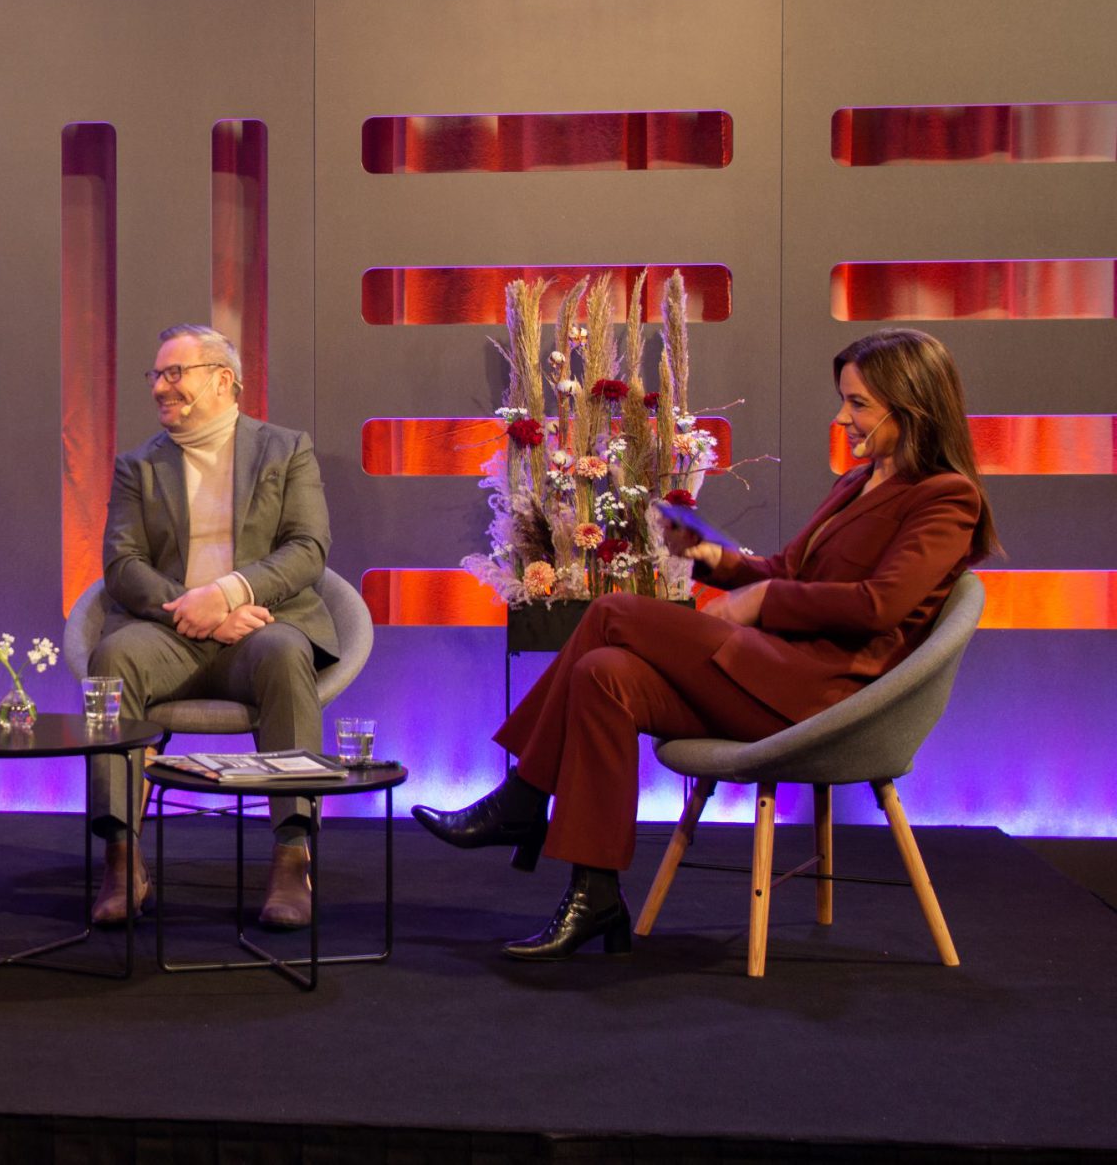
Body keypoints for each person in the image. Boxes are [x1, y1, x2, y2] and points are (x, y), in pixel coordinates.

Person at [414, 327, 999, 961]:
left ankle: (524, 798)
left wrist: (767, 601)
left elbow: (878, 605)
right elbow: (790, 570)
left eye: (858, 403)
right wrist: (713, 557)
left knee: (612, 613)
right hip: (773, 674)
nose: (842, 417)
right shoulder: (857, 483)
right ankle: (594, 894)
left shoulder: (947, 498)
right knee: (603, 674)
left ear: (910, 405)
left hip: (821, 695)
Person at [87, 324, 338, 928]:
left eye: (176, 373)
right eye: (156, 375)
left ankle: (291, 857)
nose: (160, 388)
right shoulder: (138, 466)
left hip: (261, 622)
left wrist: (228, 595)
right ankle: (122, 859)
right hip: (169, 633)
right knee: (111, 659)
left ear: (224, 380)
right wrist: (191, 609)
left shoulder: (285, 448)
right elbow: (122, 565)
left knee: (284, 654)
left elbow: (309, 547)